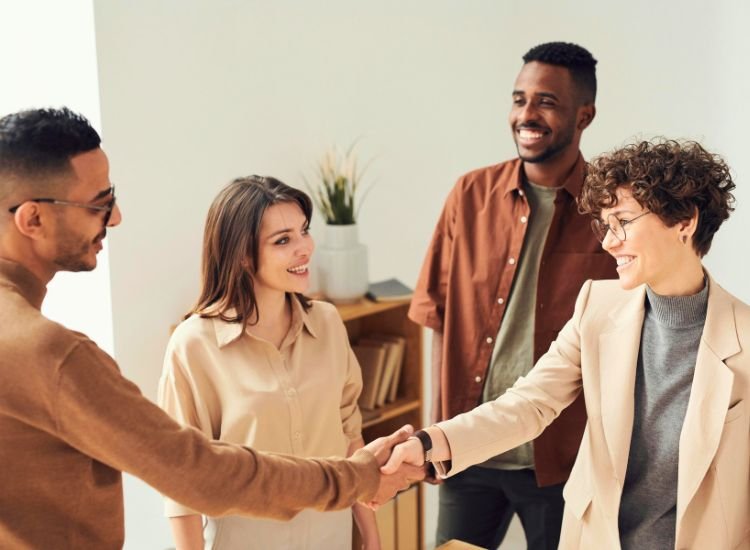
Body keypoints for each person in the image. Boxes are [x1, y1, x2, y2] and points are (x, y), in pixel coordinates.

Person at [0, 107, 422, 549]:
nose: (117, 217)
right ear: (32, 219)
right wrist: (358, 477)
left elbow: (343, 425)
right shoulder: (50, 354)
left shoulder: (327, 323)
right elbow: (194, 474)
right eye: (99, 204)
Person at [385, 139, 748, 549]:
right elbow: (529, 403)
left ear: (685, 222)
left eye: (624, 221)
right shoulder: (597, 305)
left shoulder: (745, 340)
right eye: (606, 225)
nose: (609, 242)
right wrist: (430, 444)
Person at [408, 41, 616, 548]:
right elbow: (434, 316)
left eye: (546, 101)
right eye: (519, 99)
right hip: (468, 450)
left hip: (562, 460)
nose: (527, 114)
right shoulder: (469, 196)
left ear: (583, 115)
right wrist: (436, 432)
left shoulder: (611, 209)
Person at [158, 176, 381, 550]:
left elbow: (349, 437)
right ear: (242, 256)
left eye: (303, 232)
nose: (304, 248)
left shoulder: (327, 323)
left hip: (332, 540)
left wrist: (371, 536)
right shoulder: (194, 345)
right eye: (283, 240)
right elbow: (181, 482)